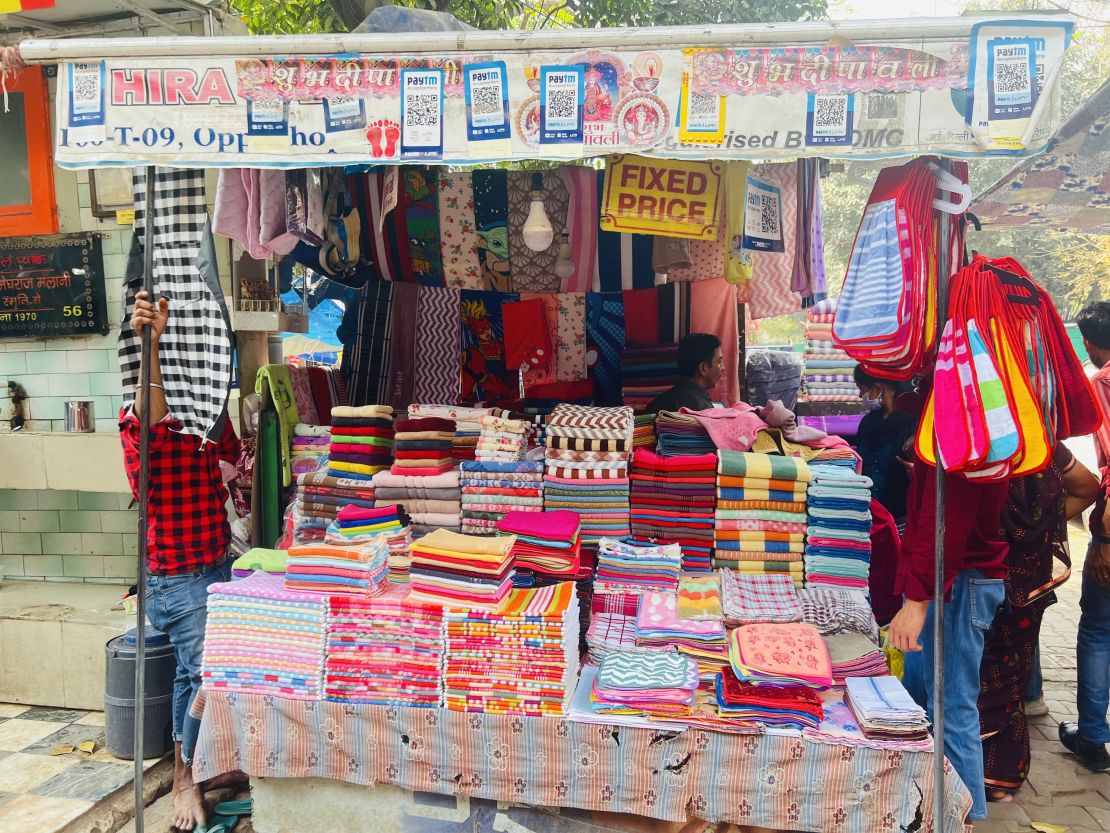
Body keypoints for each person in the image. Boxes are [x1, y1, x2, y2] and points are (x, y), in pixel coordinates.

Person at [119, 291, 242, 831]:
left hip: (215, 563)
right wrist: (152, 343)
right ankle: (183, 781)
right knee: (200, 676)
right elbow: (152, 411)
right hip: (176, 580)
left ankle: (208, 764)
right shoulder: (141, 430)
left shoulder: (208, 423)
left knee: (202, 676)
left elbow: (235, 459)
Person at [890, 456, 1009, 821]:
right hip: (954, 579)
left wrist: (918, 598)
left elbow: (947, 521)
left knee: (951, 707)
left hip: (957, 581)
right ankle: (934, 813)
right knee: (928, 703)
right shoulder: (962, 416)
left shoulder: (962, 417)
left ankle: (962, 820)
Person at [979, 444, 1098, 799]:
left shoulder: (977, 442)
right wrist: (1037, 535)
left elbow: (1088, 486)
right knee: (1006, 674)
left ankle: (993, 775)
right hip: (1024, 576)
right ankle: (996, 775)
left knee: (995, 674)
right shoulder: (1041, 441)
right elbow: (1086, 487)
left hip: (996, 574)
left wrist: (1036, 533)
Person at [1060, 302, 1110, 773]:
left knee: (1098, 630)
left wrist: (1105, 540)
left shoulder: (1101, 384)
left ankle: (1093, 738)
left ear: (1091, 344)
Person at [852, 366, 916, 527]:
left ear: (877, 388)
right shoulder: (868, 423)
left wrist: (917, 471)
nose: (861, 396)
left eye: (862, 389)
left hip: (901, 517)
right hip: (865, 513)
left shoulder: (914, 423)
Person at [645, 332, 723, 414]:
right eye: (719, 362)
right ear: (703, 368)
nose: (723, 367)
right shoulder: (702, 411)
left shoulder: (655, 404)